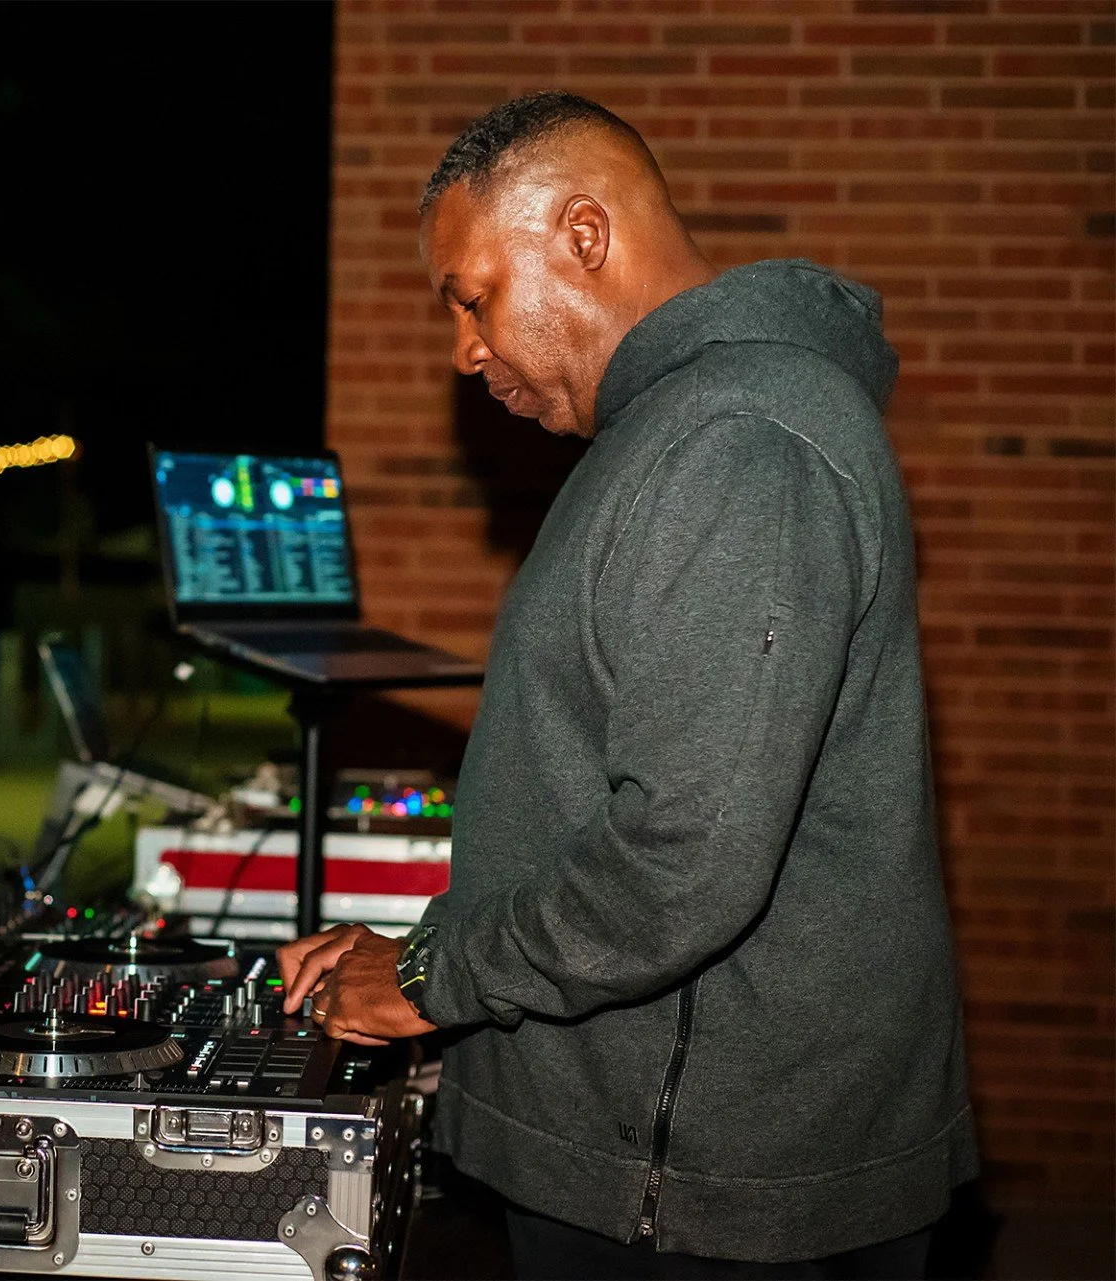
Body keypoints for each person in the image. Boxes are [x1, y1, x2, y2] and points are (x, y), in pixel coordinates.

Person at [279, 91, 976, 1279]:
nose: (466, 349)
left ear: (583, 235)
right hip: (677, 1160)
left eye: (474, 297)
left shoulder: (738, 440)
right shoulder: (679, 432)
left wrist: (429, 975)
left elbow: (683, 864)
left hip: (711, 1190)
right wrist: (440, 959)